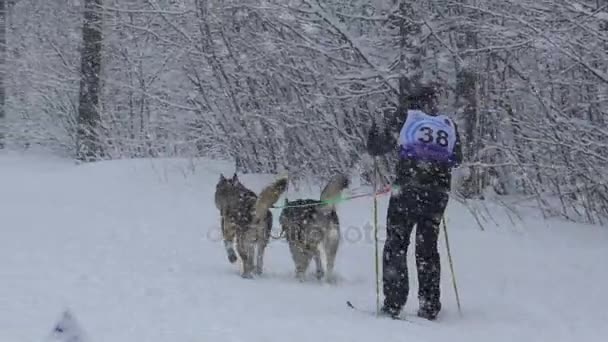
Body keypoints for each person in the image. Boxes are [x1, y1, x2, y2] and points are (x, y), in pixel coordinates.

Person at [366, 85, 463, 320]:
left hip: (408, 190)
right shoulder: (447, 124)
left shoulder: (406, 116)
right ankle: (429, 305)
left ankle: (394, 303)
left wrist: (374, 130)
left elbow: (377, 148)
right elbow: (457, 159)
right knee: (427, 248)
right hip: (438, 193)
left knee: (396, 244)